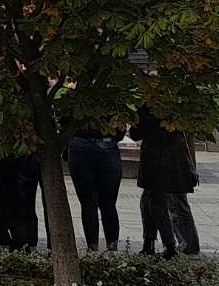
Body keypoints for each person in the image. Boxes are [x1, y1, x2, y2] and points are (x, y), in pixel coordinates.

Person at [130, 107, 195, 258]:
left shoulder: (148, 108)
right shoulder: (176, 107)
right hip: (173, 159)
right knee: (149, 201)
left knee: (156, 204)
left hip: (154, 161)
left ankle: (168, 245)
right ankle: (150, 242)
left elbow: (135, 133)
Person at [66, 124, 122, 251]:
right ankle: (112, 248)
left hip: (80, 142)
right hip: (107, 141)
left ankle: (92, 248)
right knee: (108, 204)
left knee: (88, 204)